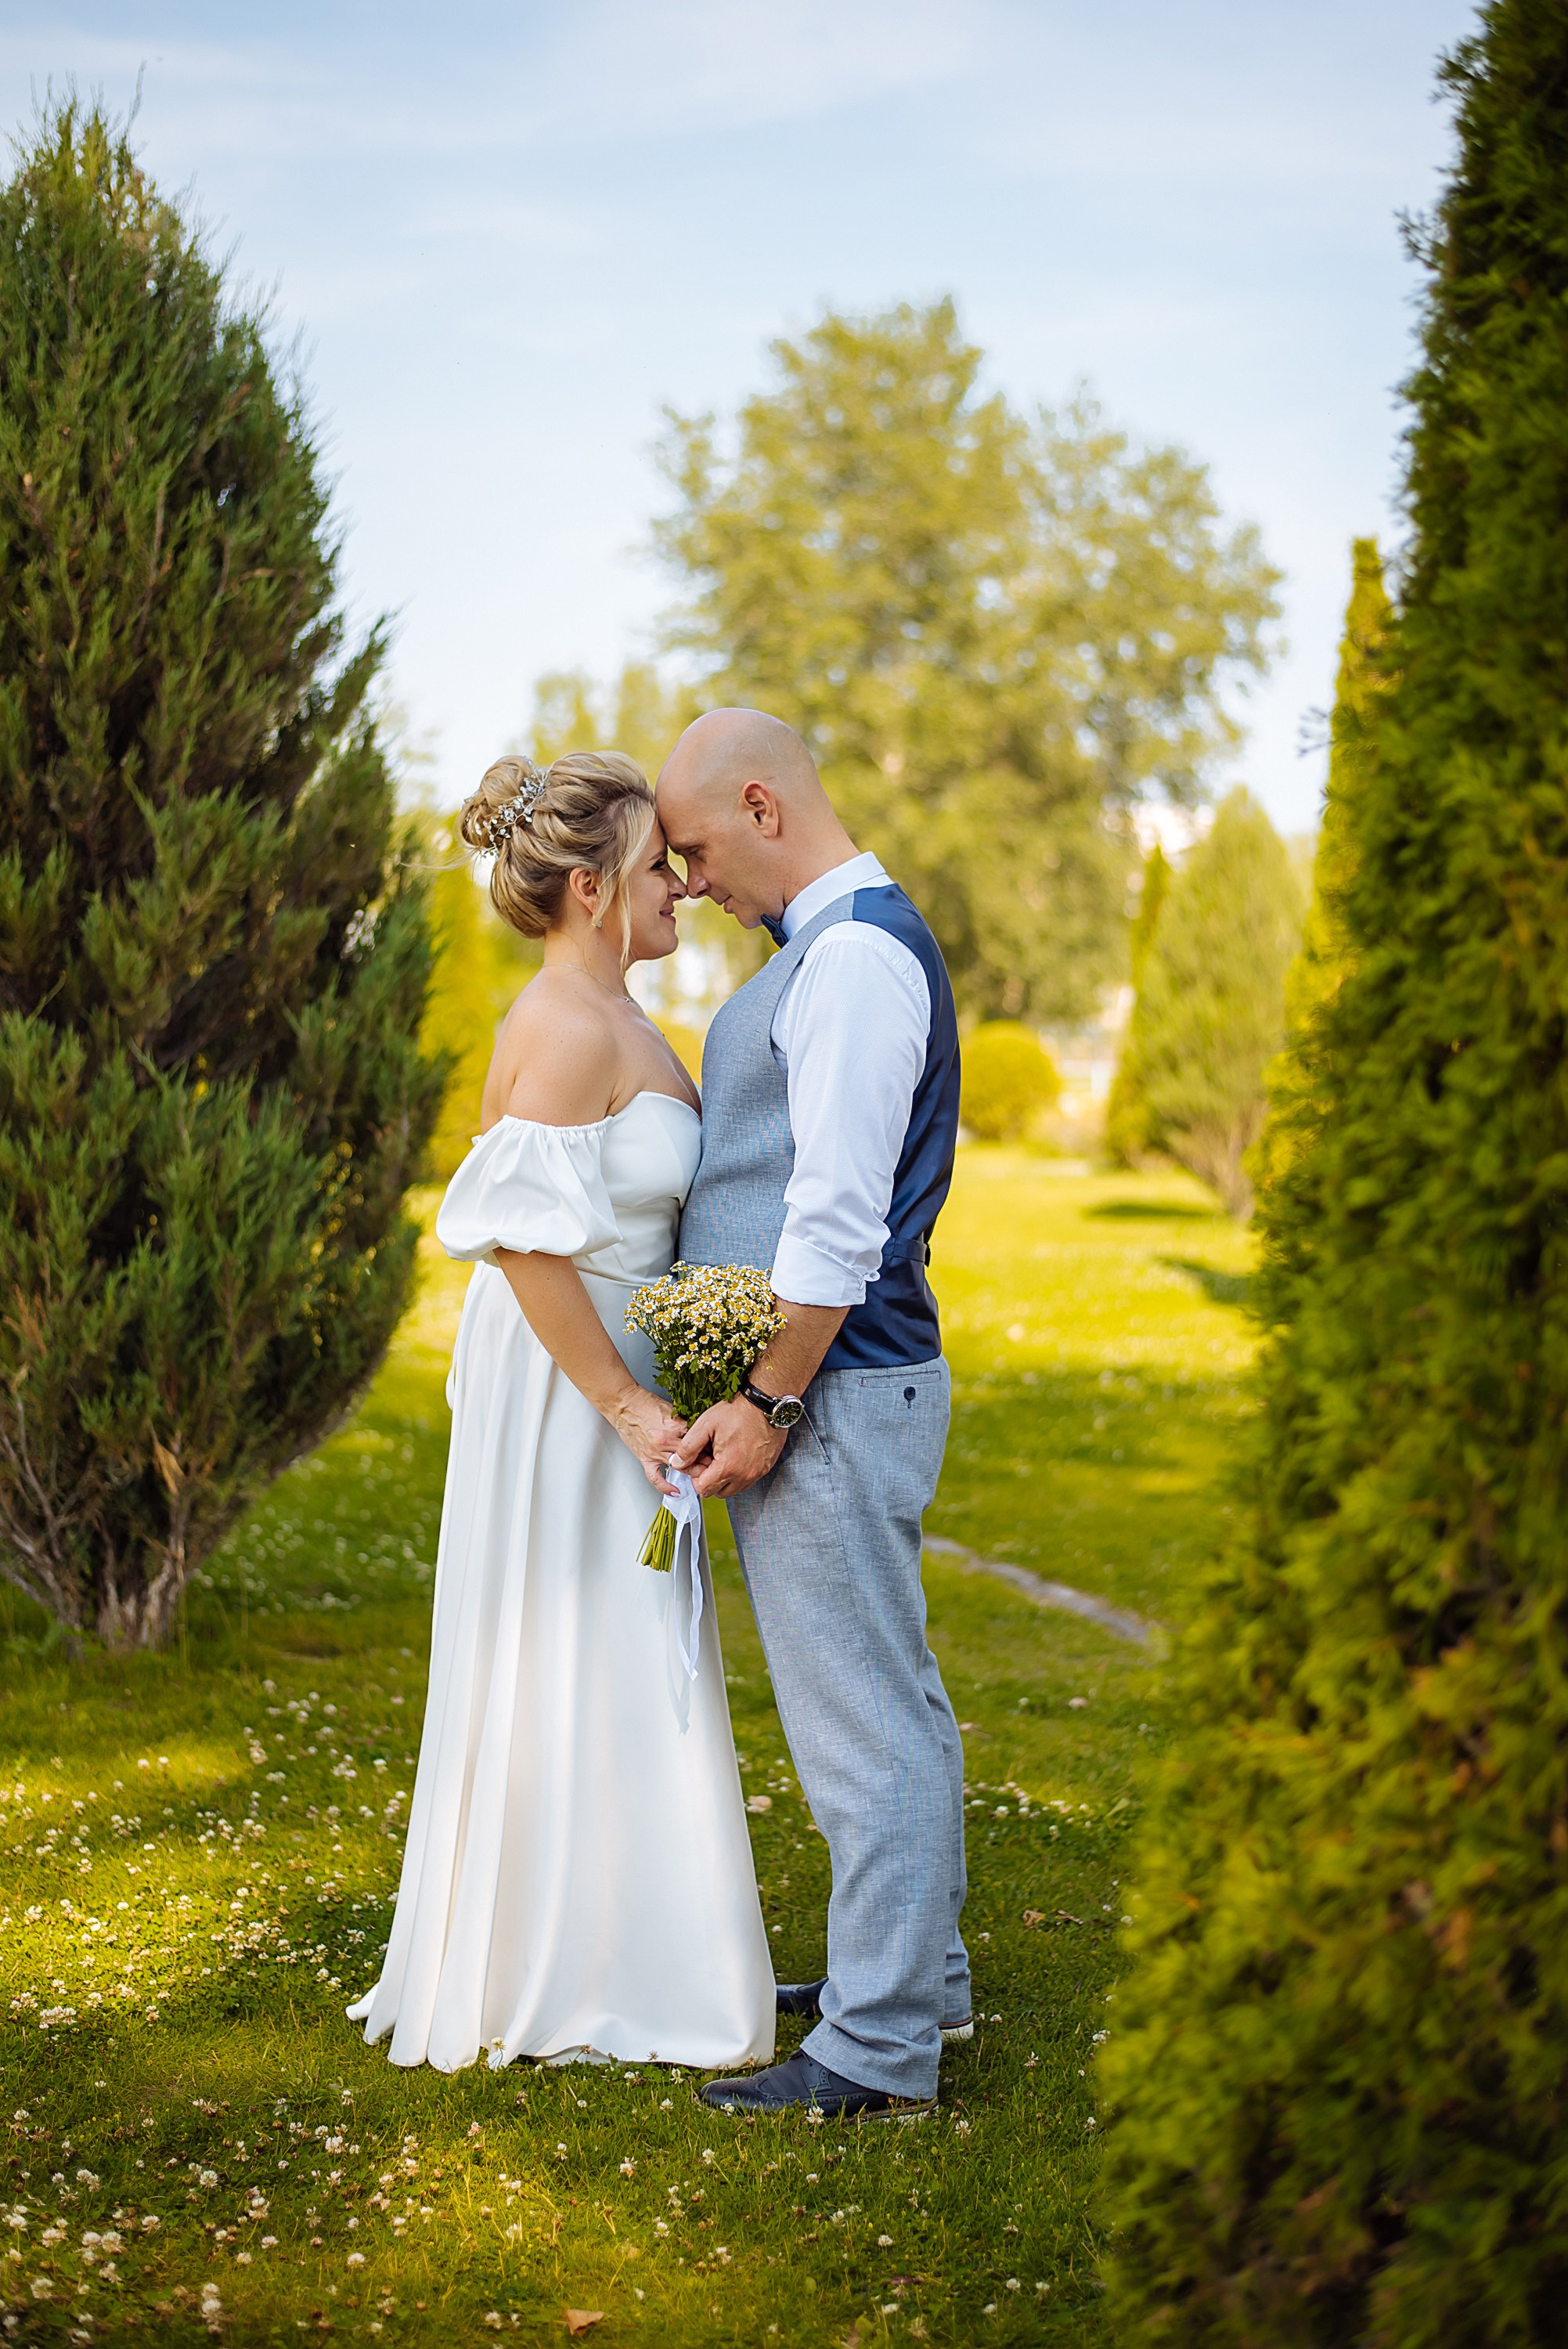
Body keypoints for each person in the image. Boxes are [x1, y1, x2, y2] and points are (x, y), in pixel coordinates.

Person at [346, 750, 773, 2073]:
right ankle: (572, 1965)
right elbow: (523, 1243)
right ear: (591, 889)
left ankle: (627, 1944)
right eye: (658, 869)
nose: (680, 890)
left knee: (629, 1646)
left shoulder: (626, 1017)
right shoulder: (566, 1026)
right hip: (571, 1384)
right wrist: (628, 1405)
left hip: (621, 1374)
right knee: (574, 1642)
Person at [656, 708, 970, 2121]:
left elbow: (836, 1221)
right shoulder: (841, 947)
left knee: (865, 1734)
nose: (697, 879)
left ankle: (880, 2050)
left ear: (766, 807)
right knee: (891, 1698)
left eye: (702, 847)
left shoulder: (847, 963)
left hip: (833, 1386)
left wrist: (771, 1397)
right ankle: (916, 1981)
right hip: (848, 1383)